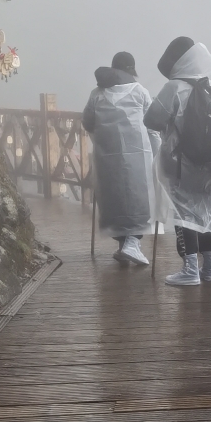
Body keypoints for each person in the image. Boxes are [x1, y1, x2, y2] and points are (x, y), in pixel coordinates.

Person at [145, 36, 211, 287]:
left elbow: (151, 120)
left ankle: (191, 269)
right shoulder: (209, 85)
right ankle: (210, 269)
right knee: (210, 214)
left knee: (186, 215)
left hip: (184, 163)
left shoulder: (174, 87)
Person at [80, 50, 153, 267]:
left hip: (106, 154)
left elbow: (87, 122)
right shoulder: (140, 92)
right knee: (137, 196)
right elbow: (153, 122)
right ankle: (132, 242)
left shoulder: (97, 93)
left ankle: (123, 246)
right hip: (138, 154)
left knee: (113, 196)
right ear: (131, 69)